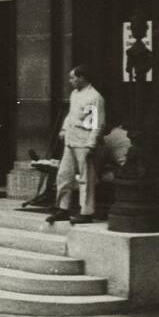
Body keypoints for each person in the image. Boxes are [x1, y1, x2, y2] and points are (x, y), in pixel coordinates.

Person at [47, 65, 106, 225]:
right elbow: (71, 115)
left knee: (86, 178)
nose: (70, 81)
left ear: (82, 78)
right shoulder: (74, 94)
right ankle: (63, 208)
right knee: (64, 175)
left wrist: (91, 144)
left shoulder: (94, 97)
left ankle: (86, 212)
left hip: (84, 141)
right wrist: (64, 129)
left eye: (73, 77)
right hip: (70, 140)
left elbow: (97, 123)